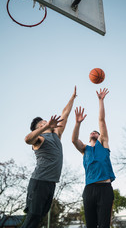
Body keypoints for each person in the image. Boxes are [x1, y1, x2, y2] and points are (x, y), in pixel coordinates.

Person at [21, 86, 77, 228]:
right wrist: (44, 128)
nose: (46, 123)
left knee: (39, 217)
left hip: (51, 182)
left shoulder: (56, 135)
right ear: (39, 129)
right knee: (33, 217)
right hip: (39, 181)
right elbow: (27, 139)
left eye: (46, 122)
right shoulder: (39, 139)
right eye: (42, 124)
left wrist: (72, 98)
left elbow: (65, 113)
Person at [72, 88, 115, 228]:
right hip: (89, 189)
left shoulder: (103, 144)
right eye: (92, 132)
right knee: (90, 225)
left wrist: (101, 101)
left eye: (96, 132)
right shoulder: (85, 149)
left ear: (99, 136)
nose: (94, 133)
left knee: (104, 225)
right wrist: (78, 123)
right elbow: (74, 140)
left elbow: (101, 120)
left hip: (105, 188)